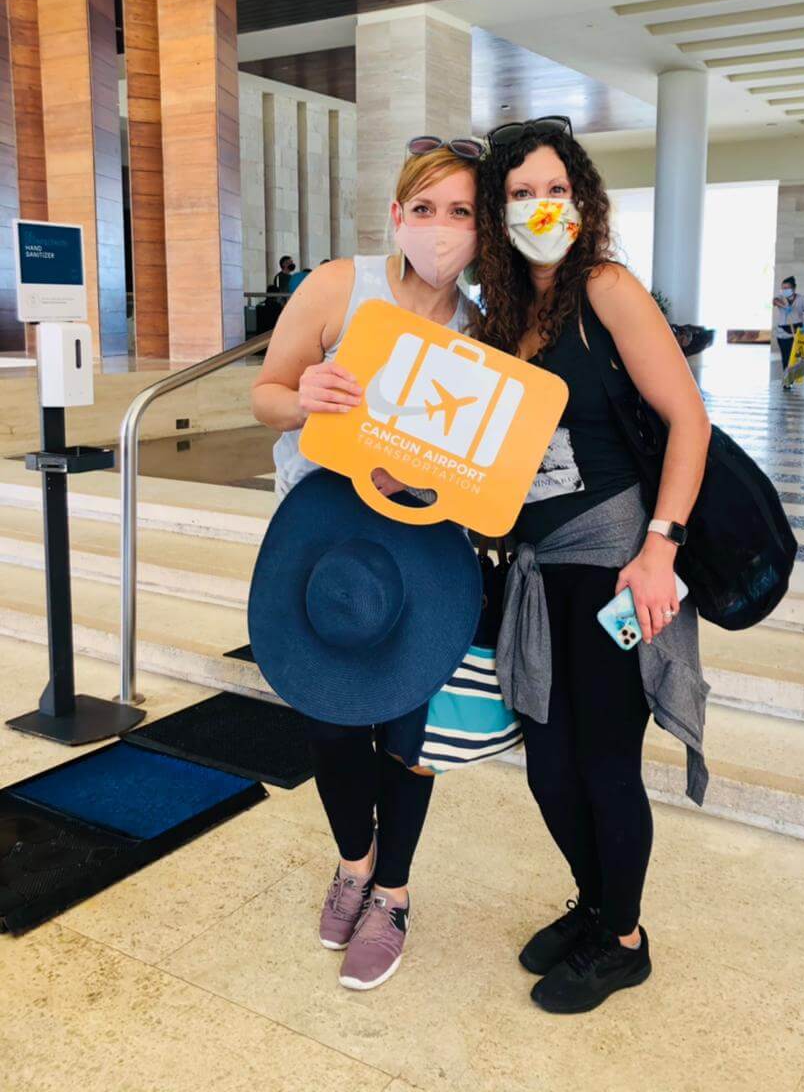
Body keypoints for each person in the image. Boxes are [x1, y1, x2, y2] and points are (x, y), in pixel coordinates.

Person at [473, 115, 712, 1015]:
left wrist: (661, 548)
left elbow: (689, 420)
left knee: (606, 761)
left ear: (580, 199)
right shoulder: (501, 314)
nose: (542, 207)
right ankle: (593, 901)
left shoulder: (605, 288)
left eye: (555, 191)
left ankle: (624, 939)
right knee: (547, 760)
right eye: (521, 194)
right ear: (499, 214)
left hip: (616, 557)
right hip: (535, 563)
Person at [251, 136, 482, 990]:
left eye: (460, 211)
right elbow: (268, 395)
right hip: (322, 543)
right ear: (396, 215)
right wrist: (301, 396)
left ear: (481, 227)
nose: (440, 227)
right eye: (424, 209)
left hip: (423, 556)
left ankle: (393, 891)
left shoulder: (482, 329)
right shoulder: (340, 286)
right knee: (329, 714)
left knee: (412, 724)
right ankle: (354, 859)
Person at [773, 276, 804, 390]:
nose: (784, 290)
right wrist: (785, 306)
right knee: (786, 357)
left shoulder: (802, 299)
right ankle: (787, 379)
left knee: (794, 356)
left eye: (787, 288)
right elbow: (775, 301)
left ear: (793, 288)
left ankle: (792, 376)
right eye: (783, 288)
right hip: (782, 331)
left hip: (797, 331)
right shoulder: (780, 298)